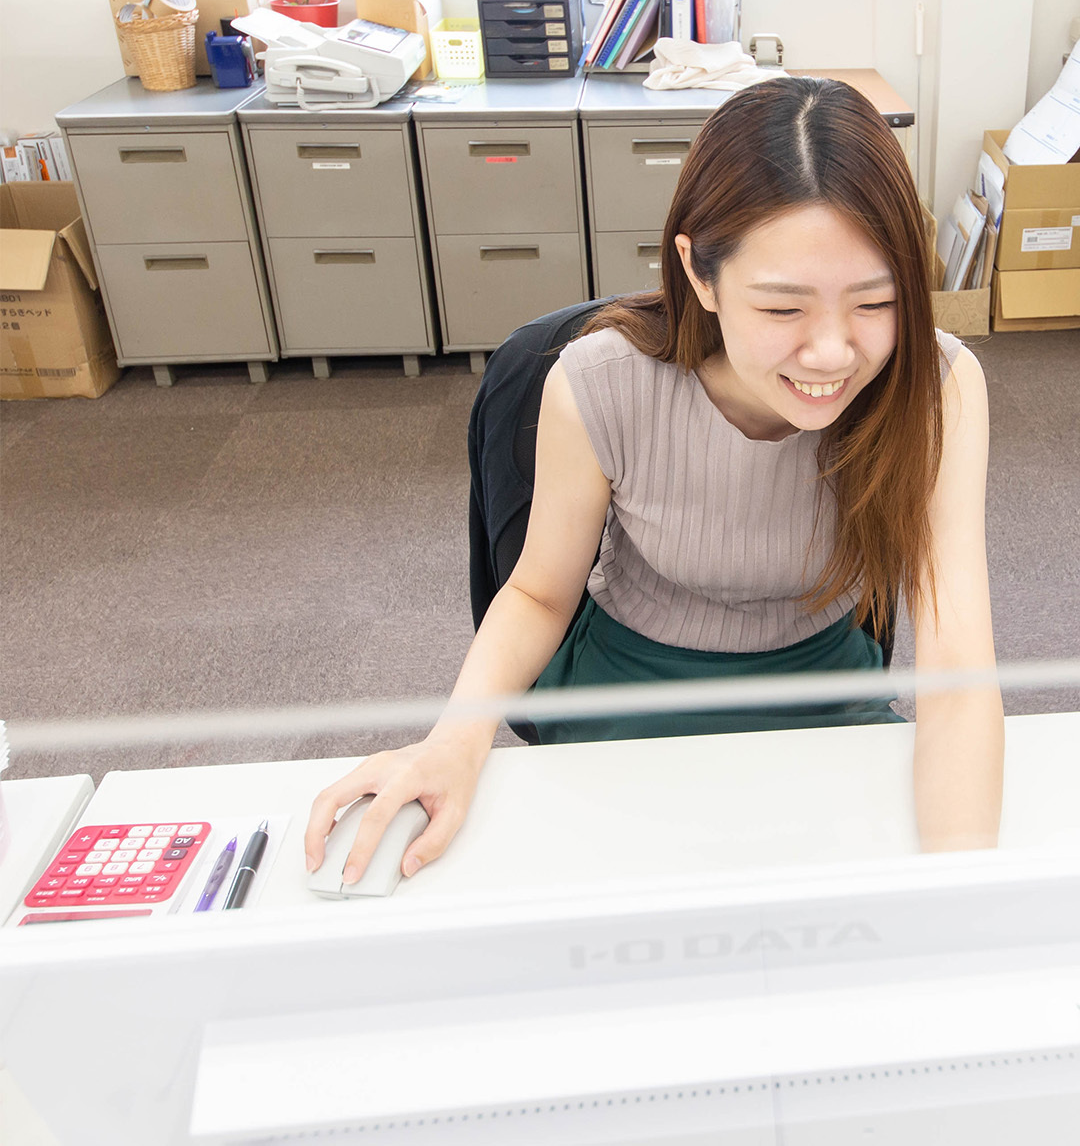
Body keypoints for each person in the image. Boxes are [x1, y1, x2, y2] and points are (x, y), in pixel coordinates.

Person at [307, 78, 1004, 881]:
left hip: (820, 689)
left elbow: (958, 673)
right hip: (629, 690)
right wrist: (454, 739)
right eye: (783, 310)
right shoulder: (602, 381)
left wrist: (964, 895)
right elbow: (537, 593)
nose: (832, 353)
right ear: (699, 275)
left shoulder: (937, 387)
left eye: (875, 301)